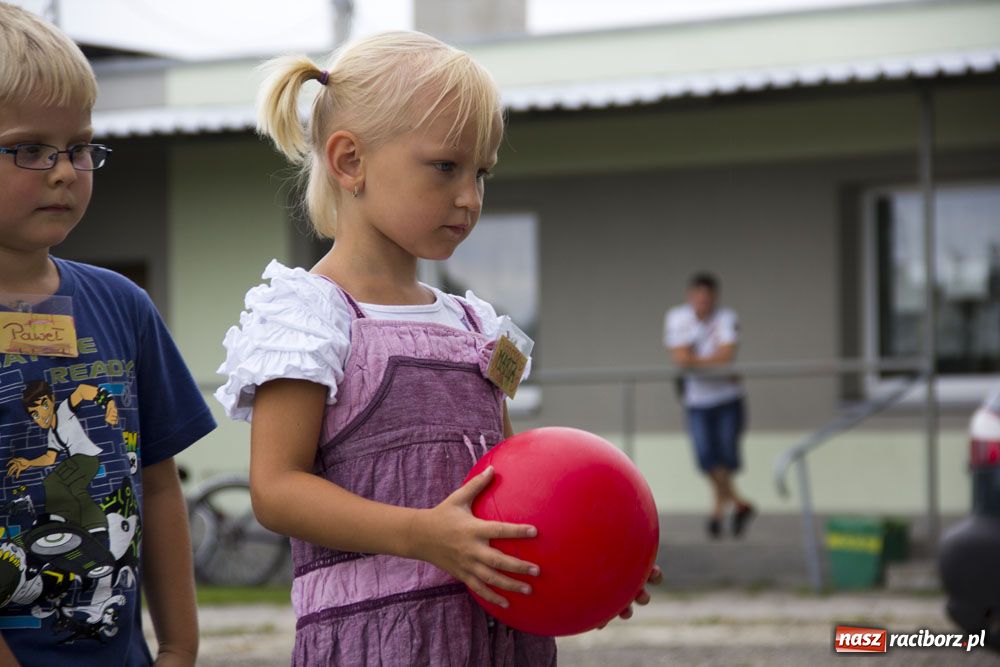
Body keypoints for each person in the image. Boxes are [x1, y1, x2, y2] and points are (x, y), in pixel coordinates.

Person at [216, 31, 660, 666]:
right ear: (349, 162)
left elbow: (511, 475)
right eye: (445, 167)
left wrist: (589, 561)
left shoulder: (477, 322)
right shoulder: (308, 316)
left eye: (481, 173)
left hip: (506, 639)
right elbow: (277, 490)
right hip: (380, 642)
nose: (470, 197)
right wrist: (424, 536)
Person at [0, 4, 216, 665]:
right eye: (30, 149)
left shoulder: (123, 305)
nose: (65, 171)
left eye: (79, 147)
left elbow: (158, 485)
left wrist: (179, 645)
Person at [665, 273, 754, 539]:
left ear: (714, 298)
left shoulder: (727, 317)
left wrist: (696, 362)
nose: (702, 303)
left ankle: (718, 512)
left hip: (727, 398)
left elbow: (726, 356)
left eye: (707, 298)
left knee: (724, 458)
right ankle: (739, 504)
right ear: (690, 297)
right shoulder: (677, 318)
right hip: (698, 401)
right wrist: (710, 362)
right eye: (698, 297)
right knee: (706, 458)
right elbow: (680, 358)